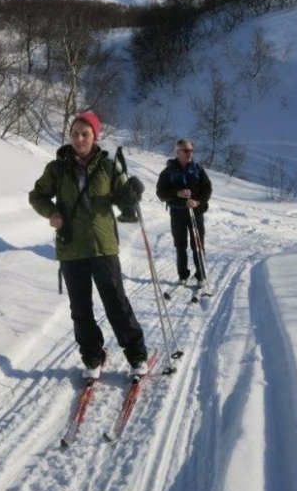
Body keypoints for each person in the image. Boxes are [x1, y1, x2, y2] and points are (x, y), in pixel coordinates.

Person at [29, 110, 149, 379]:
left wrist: (131, 194)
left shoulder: (108, 166)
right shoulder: (57, 168)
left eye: (85, 134)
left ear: (95, 136)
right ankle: (93, 355)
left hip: (103, 246)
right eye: (75, 134)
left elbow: (123, 201)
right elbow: (36, 195)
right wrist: (52, 213)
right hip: (71, 248)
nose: (79, 138)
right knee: (80, 308)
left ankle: (136, 353)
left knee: (116, 303)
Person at [155, 138, 213, 286]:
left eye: (191, 150)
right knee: (180, 245)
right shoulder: (168, 171)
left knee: (197, 245)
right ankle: (183, 275)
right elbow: (161, 193)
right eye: (186, 150)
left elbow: (207, 189)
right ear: (178, 152)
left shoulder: (198, 169)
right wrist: (177, 193)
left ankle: (201, 275)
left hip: (196, 212)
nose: (189, 153)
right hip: (177, 213)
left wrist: (198, 201)